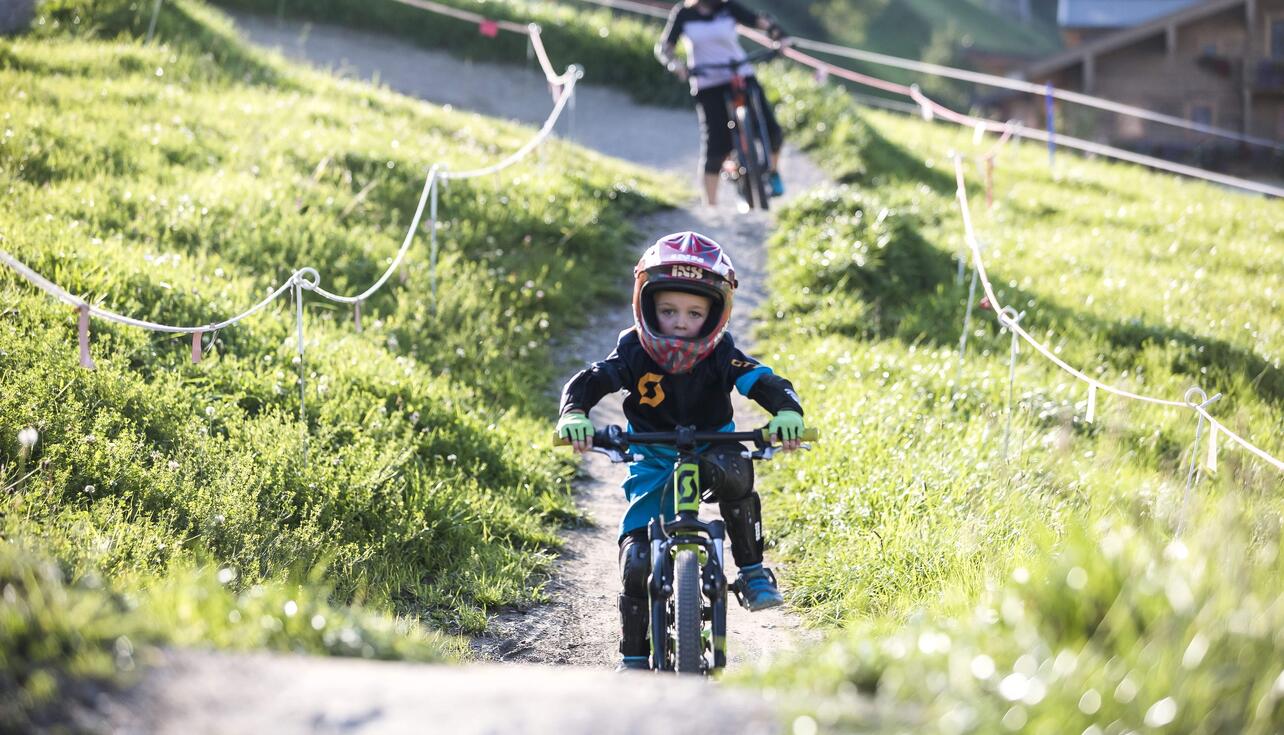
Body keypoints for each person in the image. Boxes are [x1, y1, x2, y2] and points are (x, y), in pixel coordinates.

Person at [555, 231, 806, 672]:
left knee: (737, 474)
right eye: (668, 311)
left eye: (693, 313)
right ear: (647, 305)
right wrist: (575, 413)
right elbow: (592, 378)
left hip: (713, 445)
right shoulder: (633, 349)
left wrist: (787, 411)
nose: (679, 322)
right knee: (635, 562)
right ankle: (633, 657)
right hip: (653, 456)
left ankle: (751, 572)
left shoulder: (722, 353)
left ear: (715, 314)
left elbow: (762, 379)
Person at [655, 0, 788, 206]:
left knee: (773, 132)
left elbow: (758, 21)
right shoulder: (683, 13)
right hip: (708, 83)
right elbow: (665, 47)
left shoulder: (728, 8)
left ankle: (772, 172)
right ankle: (711, 206)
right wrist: (674, 64)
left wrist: (778, 34)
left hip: (740, 75)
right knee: (716, 147)